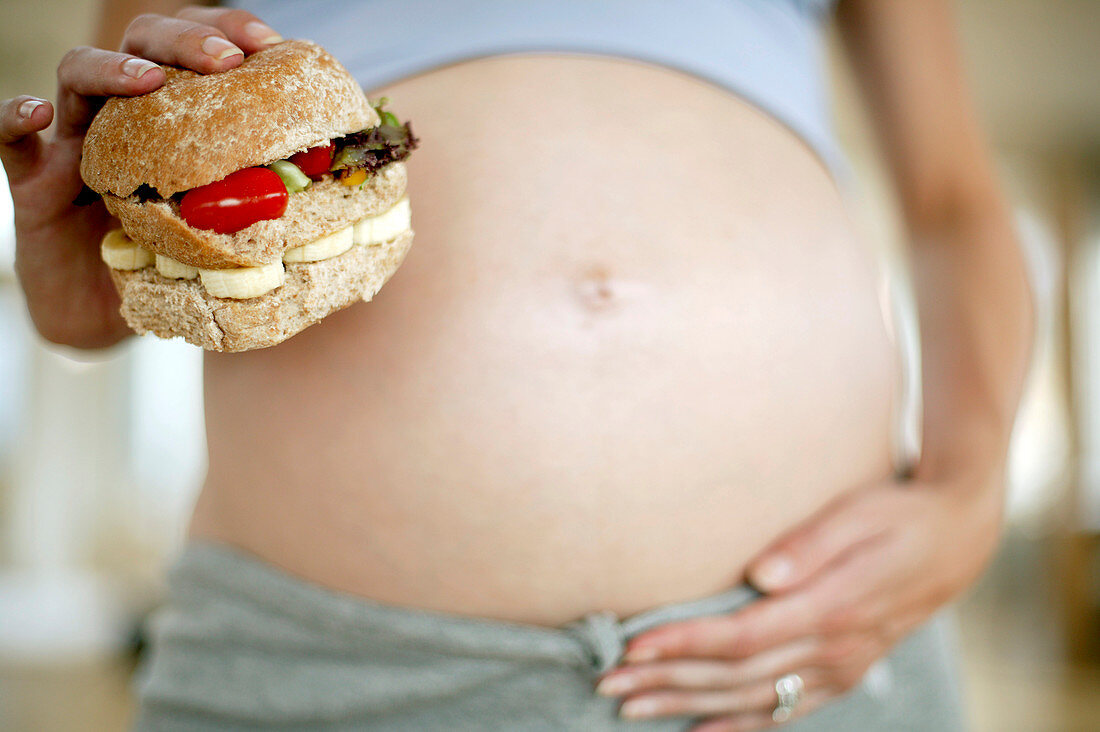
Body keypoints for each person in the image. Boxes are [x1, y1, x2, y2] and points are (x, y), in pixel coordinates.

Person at [0, 0, 1033, 729]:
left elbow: (950, 205)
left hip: (797, 643)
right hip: (325, 671)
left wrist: (969, 493)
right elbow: (112, 246)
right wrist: (87, 277)